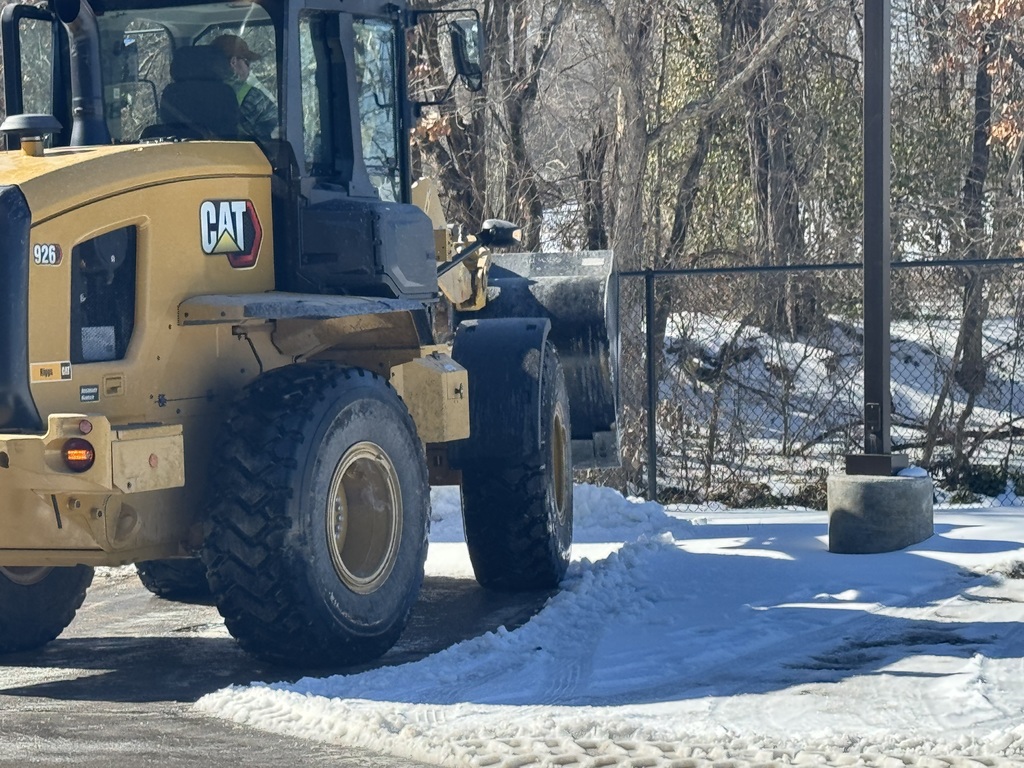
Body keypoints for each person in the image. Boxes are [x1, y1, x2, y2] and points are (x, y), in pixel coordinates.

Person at [211, 34, 277, 142]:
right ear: (233, 62)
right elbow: (282, 131)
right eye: (247, 61)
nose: (249, 68)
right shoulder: (253, 96)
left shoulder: (187, 93)